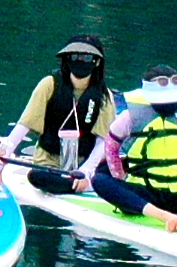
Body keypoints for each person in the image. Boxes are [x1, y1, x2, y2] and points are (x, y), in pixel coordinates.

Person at [34, 70, 177, 235]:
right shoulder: (129, 118)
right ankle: (165, 217)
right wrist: (119, 176)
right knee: (100, 180)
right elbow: (111, 146)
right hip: (147, 195)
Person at [10, 35, 114, 170]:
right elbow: (25, 125)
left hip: (83, 164)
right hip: (47, 162)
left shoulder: (104, 96)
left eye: (87, 57)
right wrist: (1, 157)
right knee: (39, 176)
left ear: (97, 61)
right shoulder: (49, 85)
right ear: (67, 59)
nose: (80, 61)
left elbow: (103, 139)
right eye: (75, 56)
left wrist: (86, 170)